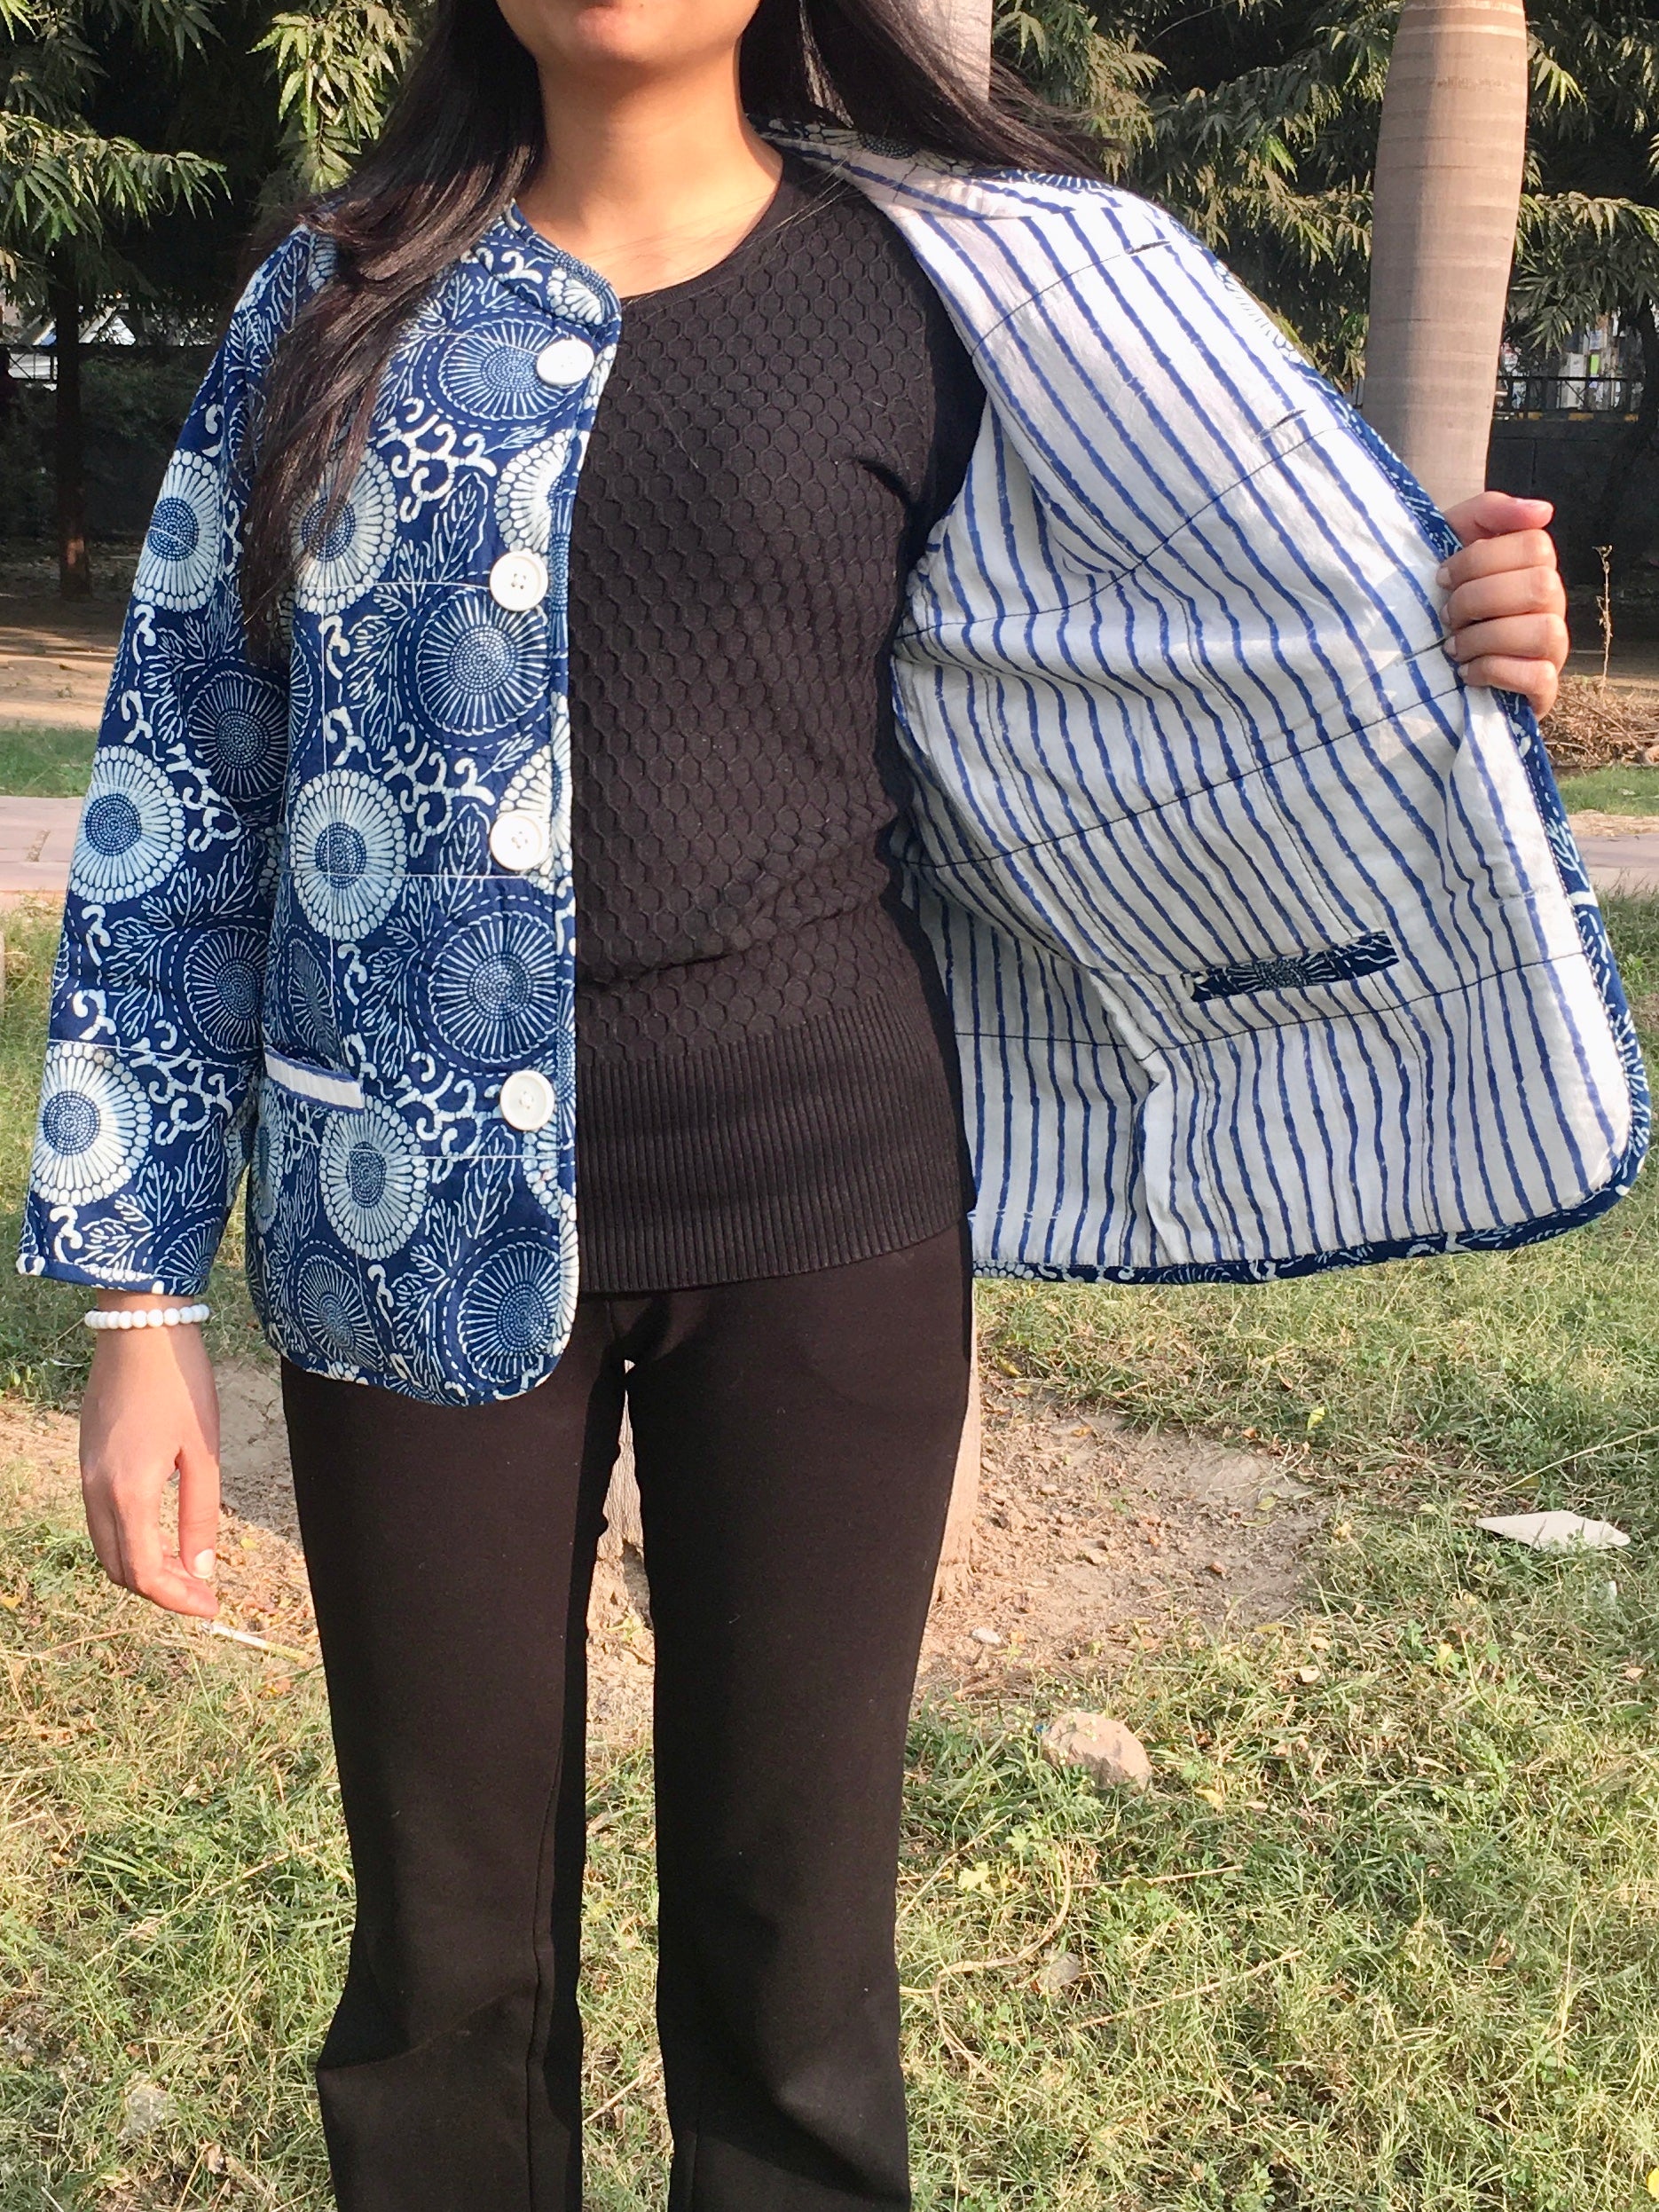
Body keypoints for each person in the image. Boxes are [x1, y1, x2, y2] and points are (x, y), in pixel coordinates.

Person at [20, 0, 1639, 2200]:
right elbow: (184, 785)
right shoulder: (335, 305)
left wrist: (1452, 621)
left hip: (828, 1212)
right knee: (444, 1954)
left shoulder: (948, 297)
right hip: (405, 1223)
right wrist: (133, 1310)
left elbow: (1156, 660)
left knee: (796, 1974)